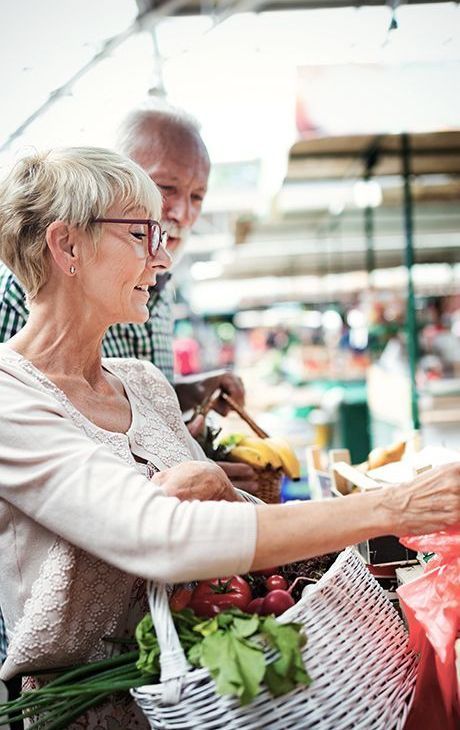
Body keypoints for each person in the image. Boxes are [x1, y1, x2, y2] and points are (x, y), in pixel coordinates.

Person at [0, 148, 459, 729]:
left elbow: (228, 531)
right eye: (143, 234)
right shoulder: (10, 397)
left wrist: (221, 487)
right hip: (89, 715)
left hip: (210, 702)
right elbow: (161, 537)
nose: (162, 257)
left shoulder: (143, 384)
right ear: (67, 246)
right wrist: (392, 504)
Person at [0, 105, 257, 491]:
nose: (183, 213)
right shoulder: (14, 376)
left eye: (198, 196)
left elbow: (120, 405)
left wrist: (188, 411)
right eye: (165, 188)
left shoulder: (154, 300)